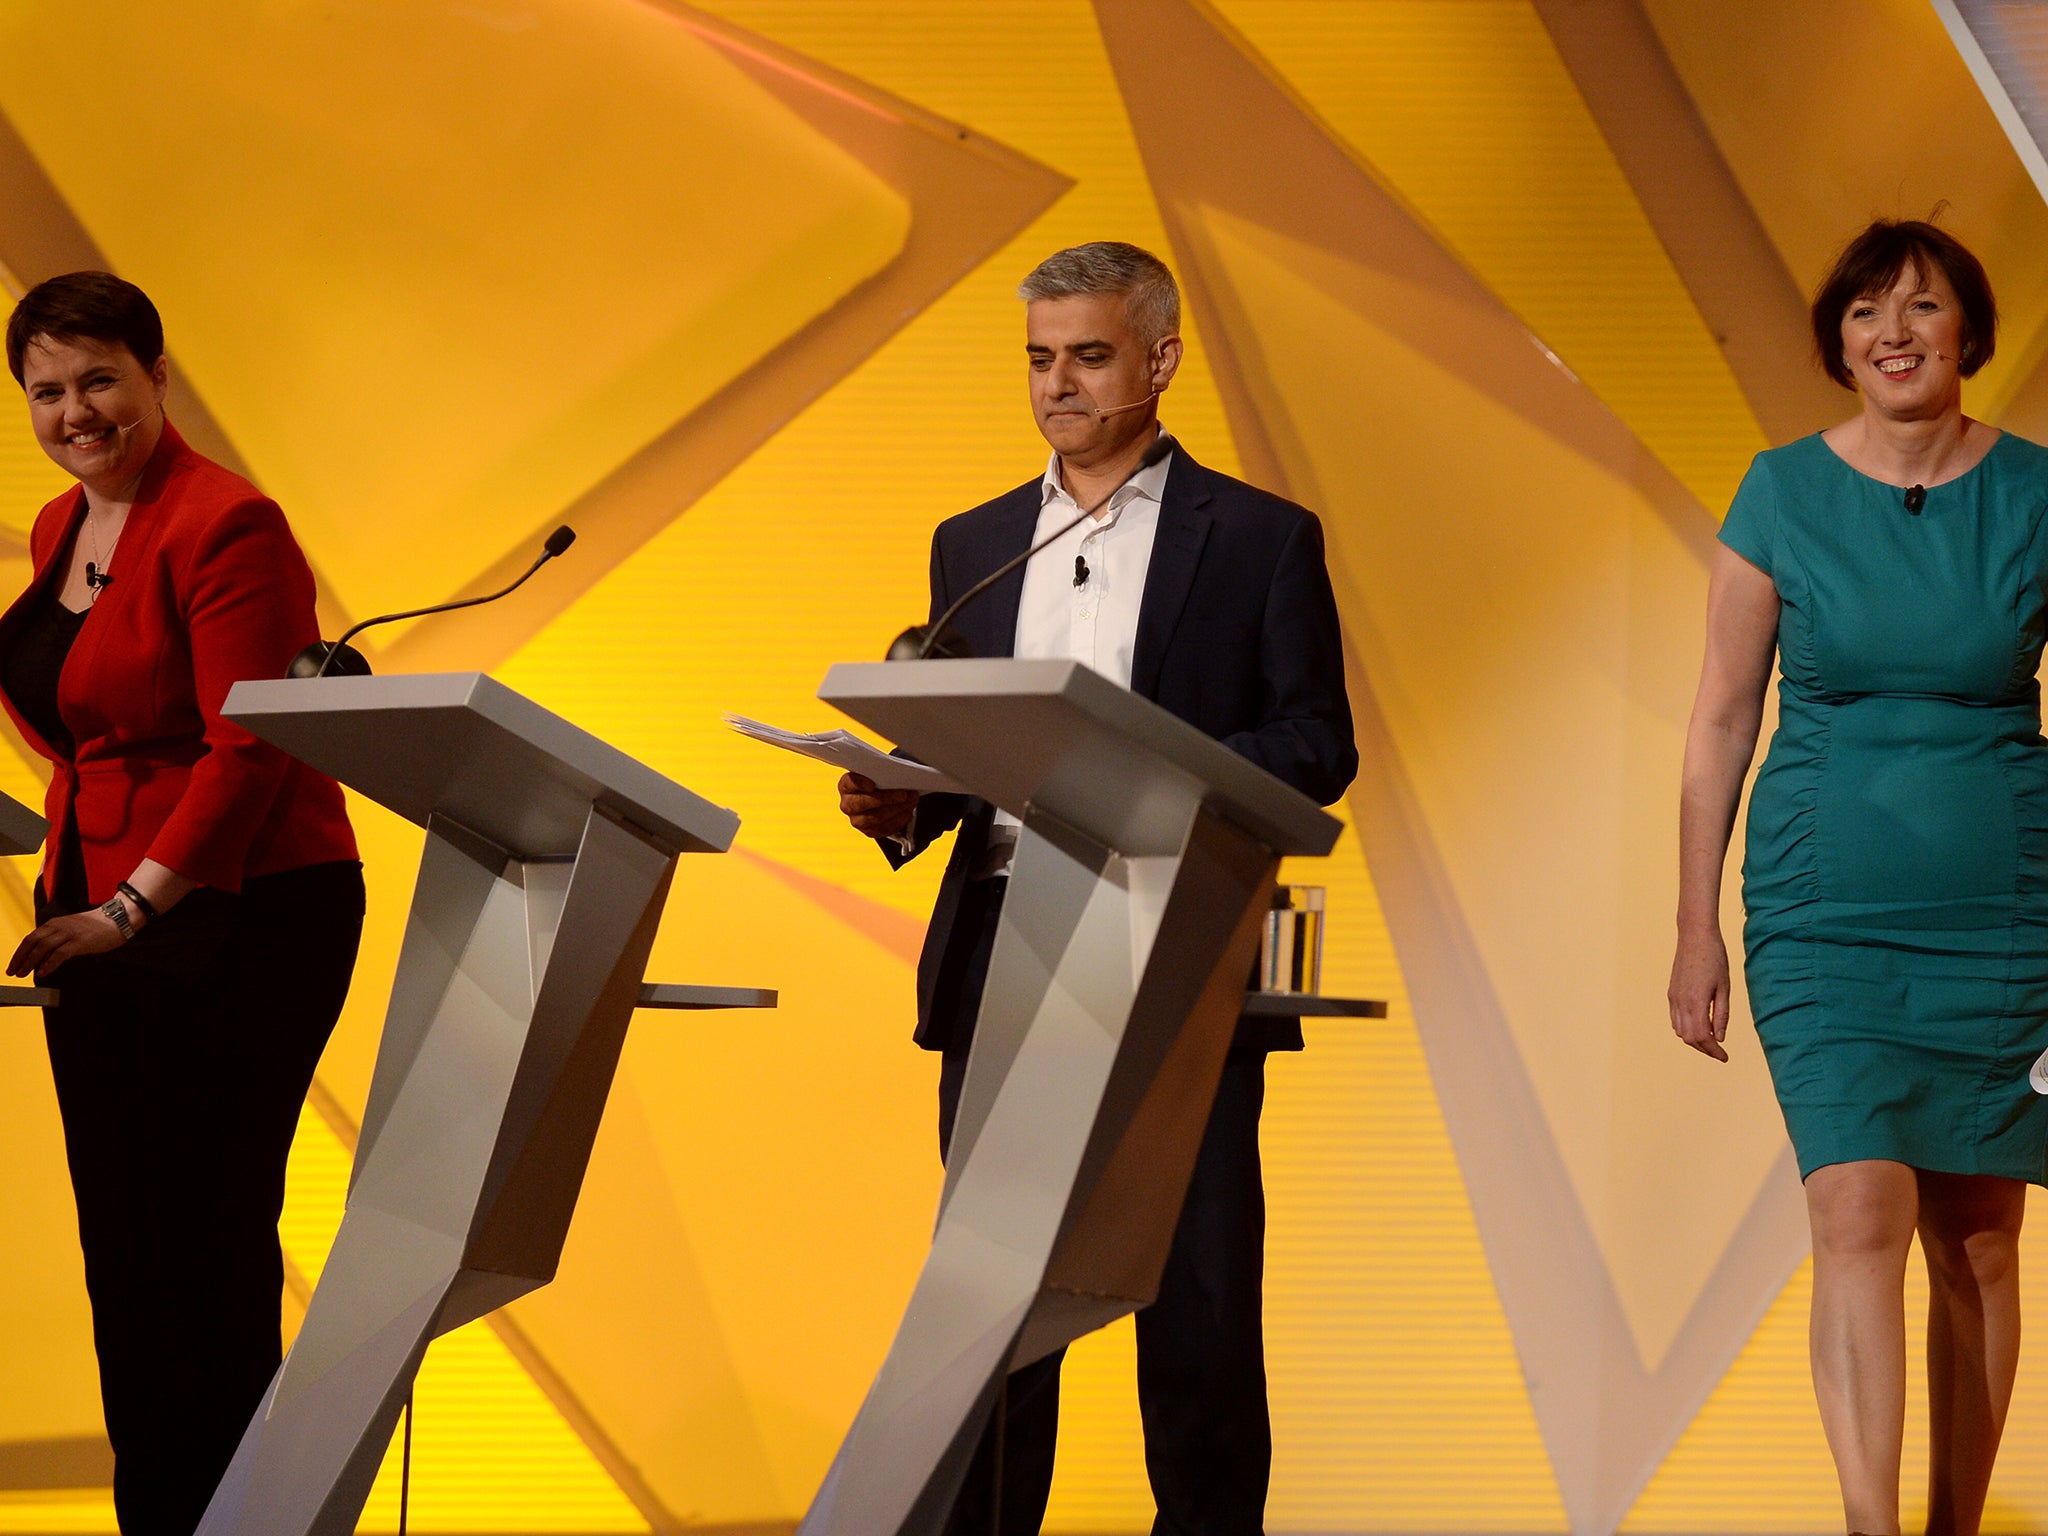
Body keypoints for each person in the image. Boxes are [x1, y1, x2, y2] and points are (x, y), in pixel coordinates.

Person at [838, 241, 1355, 1535]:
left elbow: (1315, 743)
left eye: (1087, 355)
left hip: (1173, 948)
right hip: (1009, 947)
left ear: (1161, 360)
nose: (1057, 384)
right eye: (1037, 357)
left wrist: (1150, 770)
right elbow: (958, 746)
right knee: (994, 1325)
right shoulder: (975, 543)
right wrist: (898, 798)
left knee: (1196, 1320)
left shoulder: (1261, 541)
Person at [1669, 219, 2048, 1536]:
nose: (1895, 334)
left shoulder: (2040, 493)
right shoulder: (1779, 492)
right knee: (1858, 1202)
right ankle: (1868, 1529)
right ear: (1838, 342)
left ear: (1966, 334)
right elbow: (1721, 716)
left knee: (1982, 1238)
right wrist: (1694, 926)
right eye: (1868, 314)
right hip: (1824, 915)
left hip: (2006, 922)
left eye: (1923, 309)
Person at [0, 271, 362, 1536]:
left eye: (99, 378)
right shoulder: (60, 529)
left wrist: (136, 911)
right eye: (47, 389)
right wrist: (85, 893)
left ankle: (236, 1516)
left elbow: (246, 749)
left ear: (157, 377)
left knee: (205, 1246)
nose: (76, 410)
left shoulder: (229, 523)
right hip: (94, 913)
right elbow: (84, 732)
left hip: (244, 911)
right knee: (126, 1256)